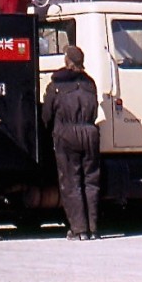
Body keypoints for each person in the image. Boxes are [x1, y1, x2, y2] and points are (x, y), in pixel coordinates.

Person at [41, 44, 102, 240]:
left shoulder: (56, 85)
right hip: (90, 133)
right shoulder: (90, 84)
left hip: (66, 135)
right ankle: (92, 229)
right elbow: (94, 110)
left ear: (67, 61)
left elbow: (47, 115)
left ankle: (79, 230)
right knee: (91, 181)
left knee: (71, 182)